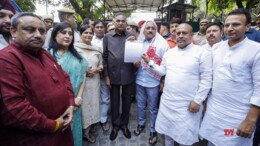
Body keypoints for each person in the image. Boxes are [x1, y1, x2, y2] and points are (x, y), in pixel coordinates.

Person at [0, 12, 75, 146]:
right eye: (30, 30)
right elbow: (14, 106)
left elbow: (64, 77)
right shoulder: (7, 58)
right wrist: (53, 124)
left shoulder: (44, 54)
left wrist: (70, 104)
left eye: (42, 31)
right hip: (36, 137)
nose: (38, 35)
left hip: (62, 131)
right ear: (13, 31)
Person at [142, 23, 212, 146]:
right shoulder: (170, 53)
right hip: (168, 101)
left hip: (188, 104)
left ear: (191, 35)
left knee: (184, 136)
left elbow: (206, 79)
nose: (180, 36)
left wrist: (197, 100)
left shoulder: (201, 52)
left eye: (184, 33)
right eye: (178, 33)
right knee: (168, 134)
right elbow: (162, 71)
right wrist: (149, 62)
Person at [199, 8, 260, 146]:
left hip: (238, 117)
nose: (230, 28)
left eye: (236, 24)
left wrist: (250, 120)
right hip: (214, 112)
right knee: (213, 142)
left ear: (248, 27)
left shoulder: (256, 50)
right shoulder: (216, 48)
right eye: (227, 25)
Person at [48, 22, 88, 146]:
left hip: (74, 104)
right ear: (54, 35)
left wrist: (79, 97)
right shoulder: (46, 55)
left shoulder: (78, 57)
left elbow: (83, 76)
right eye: (63, 32)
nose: (67, 36)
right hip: (53, 106)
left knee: (73, 133)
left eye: (70, 34)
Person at [134, 21, 169, 145]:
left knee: (153, 108)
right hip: (139, 80)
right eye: (147, 28)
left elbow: (165, 66)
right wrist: (135, 63)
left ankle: (153, 130)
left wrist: (162, 81)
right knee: (140, 105)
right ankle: (141, 124)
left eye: (152, 28)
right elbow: (133, 59)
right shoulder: (138, 44)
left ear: (156, 30)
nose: (150, 30)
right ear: (143, 30)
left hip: (153, 81)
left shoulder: (162, 45)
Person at [103, 12, 135, 141]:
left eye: (123, 21)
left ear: (126, 23)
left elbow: (136, 54)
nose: (121, 23)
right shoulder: (107, 37)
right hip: (113, 74)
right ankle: (115, 126)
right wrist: (106, 76)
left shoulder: (131, 36)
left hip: (127, 73)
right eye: (118, 20)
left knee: (127, 102)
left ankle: (124, 125)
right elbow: (104, 58)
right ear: (114, 22)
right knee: (115, 102)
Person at [74, 24, 103, 144]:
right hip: (81, 83)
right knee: (83, 106)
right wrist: (84, 71)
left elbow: (101, 64)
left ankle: (90, 128)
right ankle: (82, 131)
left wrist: (98, 69)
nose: (88, 35)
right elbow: (72, 65)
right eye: (85, 32)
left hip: (94, 82)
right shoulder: (74, 48)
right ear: (80, 34)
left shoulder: (97, 49)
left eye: (90, 33)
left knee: (94, 104)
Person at [91, 20, 110, 132]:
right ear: (94, 29)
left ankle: (103, 120)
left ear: (105, 29)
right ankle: (93, 121)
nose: (99, 29)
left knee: (105, 98)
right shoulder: (89, 39)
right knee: (93, 98)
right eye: (97, 27)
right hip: (92, 74)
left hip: (105, 74)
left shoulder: (108, 39)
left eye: (101, 27)